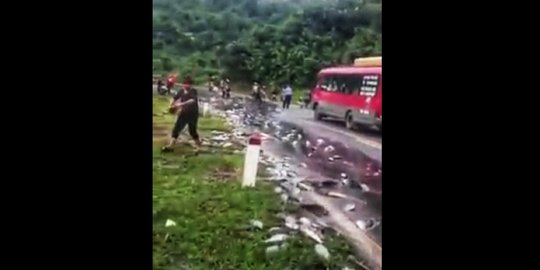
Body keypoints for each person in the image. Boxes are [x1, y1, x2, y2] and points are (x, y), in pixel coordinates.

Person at [161, 76, 201, 152]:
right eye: (185, 84)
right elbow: (174, 98)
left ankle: (198, 145)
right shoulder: (181, 91)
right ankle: (171, 146)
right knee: (176, 129)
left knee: (192, 131)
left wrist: (180, 104)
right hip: (184, 113)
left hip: (193, 114)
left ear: (191, 85)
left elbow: (192, 100)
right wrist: (171, 104)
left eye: (188, 84)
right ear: (183, 84)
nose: (187, 86)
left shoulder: (193, 91)